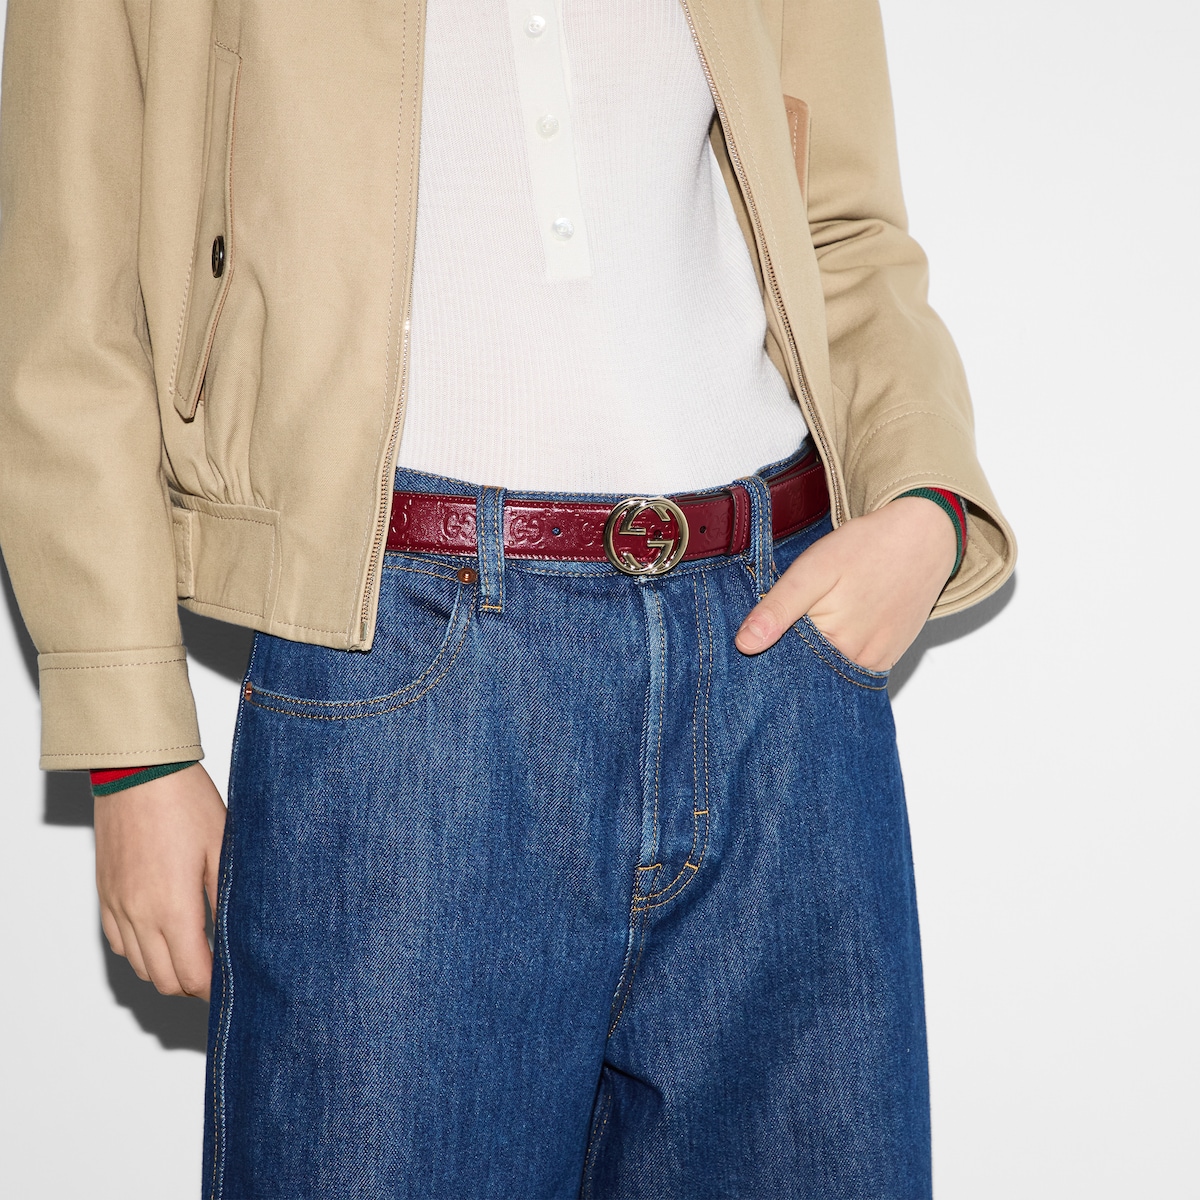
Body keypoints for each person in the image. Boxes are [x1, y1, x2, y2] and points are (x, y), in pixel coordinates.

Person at [0, 0, 1015, 1195]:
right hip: (402, 672)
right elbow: (64, 304)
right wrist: (132, 750)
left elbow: (840, 226)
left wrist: (924, 502)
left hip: (776, 659)